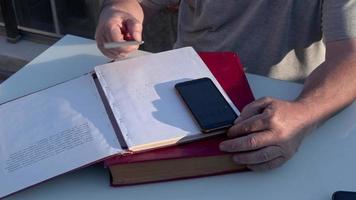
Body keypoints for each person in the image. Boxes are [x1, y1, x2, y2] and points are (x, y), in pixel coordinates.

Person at [96, 0, 356, 171]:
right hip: (179, 95)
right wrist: (118, 13)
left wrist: (304, 113)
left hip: (280, 111)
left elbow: (350, 56)